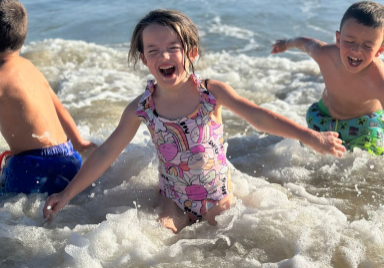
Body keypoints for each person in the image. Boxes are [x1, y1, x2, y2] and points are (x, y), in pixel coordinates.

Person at [43, 9, 345, 233]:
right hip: (173, 198)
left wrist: (310, 136)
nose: (164, 55)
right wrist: (68, 193)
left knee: (237, 241)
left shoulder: (210, 93)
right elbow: (108, 152)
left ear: (191, 52)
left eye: (173, 47)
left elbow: (259, 117)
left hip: (216, 197)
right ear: (145, 59)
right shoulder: (142, 107)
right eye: (153, 51)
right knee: (156, 245)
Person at [0, 0, 96, 195]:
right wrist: (79, 142)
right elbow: (59, 107)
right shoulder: (30, 68)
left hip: (31, 168)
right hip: (69, 159)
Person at [271, 1, 384, 155]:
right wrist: (286, 44)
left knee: (365, 164)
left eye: (367, 46)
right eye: (349, 41)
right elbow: (306, 44)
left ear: (380, 50)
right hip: (323, 118)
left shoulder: (379, 79)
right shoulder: (326, 55)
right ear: (338, 39)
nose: (356, 50)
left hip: (363, 127)